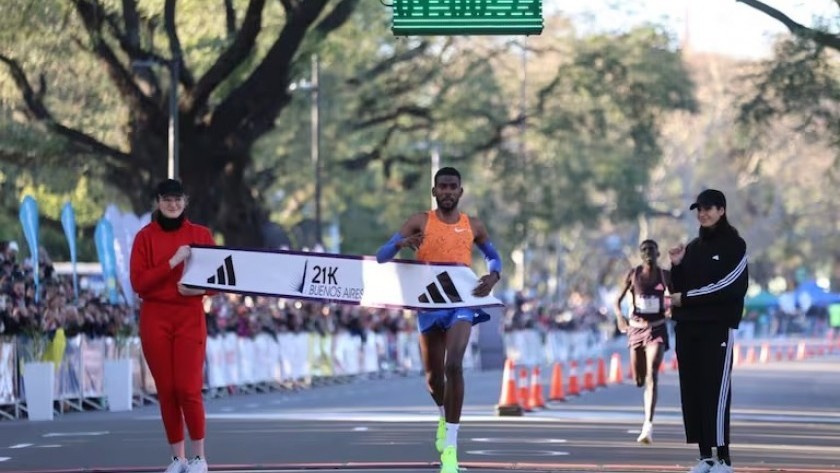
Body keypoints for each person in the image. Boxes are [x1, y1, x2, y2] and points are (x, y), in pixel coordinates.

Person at [376, 167, 501, 473]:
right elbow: (380, 256)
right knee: (434, 379)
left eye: (452, 187)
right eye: (442, 187)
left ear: (460, 191)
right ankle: (443, 416)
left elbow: (493, 255)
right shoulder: (420, 221)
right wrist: (400, 245)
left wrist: (493, 276)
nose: (447, 191)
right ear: (434, 192)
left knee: (454, 365)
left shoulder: (473, 225)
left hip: (461, 302)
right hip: (429, 304)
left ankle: (451, 450)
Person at [130, 179, 215, 473]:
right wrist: (172, 261)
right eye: (167, 199)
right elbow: (139, 284)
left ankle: (199, 457)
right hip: (155, 317)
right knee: (166, 390)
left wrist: (198, 291)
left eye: (178, 199)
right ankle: (177, 458)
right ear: (158, 201)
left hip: (189, 317)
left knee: (188, 388)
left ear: (185, 202)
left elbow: (217, 281)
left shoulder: (201, 234)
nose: (173, 204)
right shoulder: (145, 237)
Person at [668, 189, 748, 473]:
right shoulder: (692, 247)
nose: (703, 213)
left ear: (722, 210)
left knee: (716, 391)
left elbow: (729, 286)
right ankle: (705, 457)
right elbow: (678, 289)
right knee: (693, 390)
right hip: (688, 328)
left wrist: (687, 299)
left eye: (709, 208)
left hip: (717, 329)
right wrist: (676, 267)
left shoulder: (735, 245)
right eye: (699, 209)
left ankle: (724, 458)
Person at [614, 239, 671, 444]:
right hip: (636, 329)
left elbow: (674, 297)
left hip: (657, 327)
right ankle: (642, 381)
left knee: (652, 373)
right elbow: (616, 301)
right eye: (644, 250)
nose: (648, 253)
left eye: (652, 250)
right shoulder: (633, 274)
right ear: (641, 254)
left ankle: (648, 424)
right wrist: (620, 317)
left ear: (657, 253)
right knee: (639, 378)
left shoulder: (664, 275)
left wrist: (671, 308)